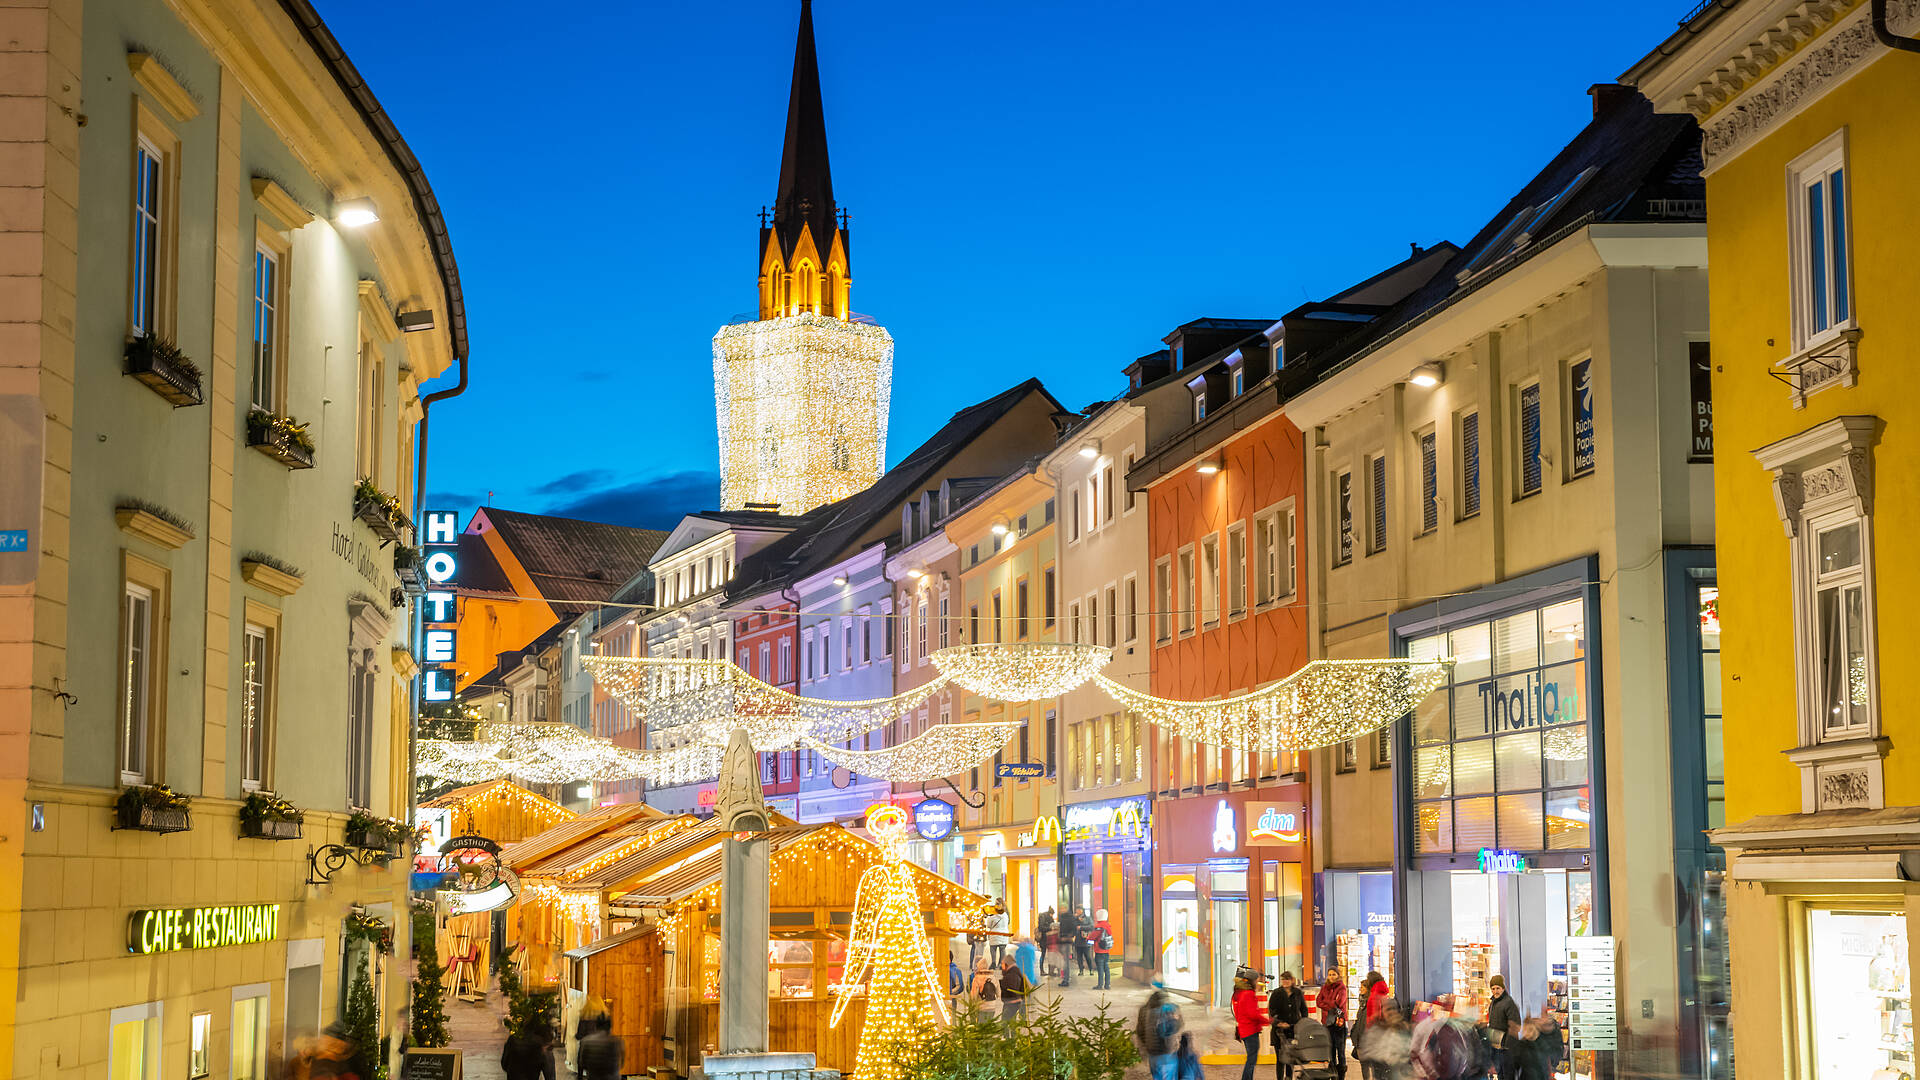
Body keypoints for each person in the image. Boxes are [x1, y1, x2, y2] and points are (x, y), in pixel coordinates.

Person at [1136, 981, 1183, 1080]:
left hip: (1152, 1053)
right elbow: (1177, 1027)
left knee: (1157, 1076)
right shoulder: (1169, 1011)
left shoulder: (1144, 1010)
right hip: (1167, 1052)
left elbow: (1140, 1032)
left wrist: (1145, 1047)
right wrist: (1177, 1017)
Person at [1357, 998, 1413, 1080]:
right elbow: (1369, 1052)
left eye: (1394, 1009)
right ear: (1382, 1012)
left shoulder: (1406, 1029)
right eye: (1388, 1009)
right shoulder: (1377, 1030)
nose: (1391, 1012)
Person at [1267, 970, 1307, 1080]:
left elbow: (1303, 1009)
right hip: (1279, 1031)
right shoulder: (1276, 993)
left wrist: (1303, 1024)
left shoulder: (1298, 993)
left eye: (1287, 979)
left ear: (1292, 980)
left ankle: (1289, 1078)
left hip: (1293, 1029)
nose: (1285, 981)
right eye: (1283, 979)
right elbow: (1271, 1011)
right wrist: (1278, 1022)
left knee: (1290, 1058)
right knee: (1280, 1058)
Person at [1232, 970, 1271, 1080]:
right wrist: (1267, 1021)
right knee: (1251, 1059)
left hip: (1243, 1029)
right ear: (1253, 980)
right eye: (1257, 980)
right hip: (1250, 1030)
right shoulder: (1248, 994)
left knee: (1251, 1058)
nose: (1258, 982)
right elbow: (1252, 1014)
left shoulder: (1238, 993)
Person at [1486, 975, 1522, 1080]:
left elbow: (1516, 1025)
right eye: (1493, 989)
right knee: (1500, 1074)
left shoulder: (1508, 1003)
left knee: (1508, 1075)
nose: (1495, 991)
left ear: (1503, 988)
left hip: (1507, 1049)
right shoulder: (1493, 1003)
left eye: (1498, 988)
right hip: (1497, 1046)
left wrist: (1507, 1046)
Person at [1317, 968, 1349, 1076]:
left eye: (1334, 974)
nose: (1331, 976)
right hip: (1327, 1023)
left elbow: (1339, 1003)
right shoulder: (1324, 987)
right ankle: (1332, 1074)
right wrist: (1331, 1004)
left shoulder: (1342, 988)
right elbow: (1318, 1002)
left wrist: (1327, 1003)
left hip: (1338, 1023)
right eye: (1329, 974)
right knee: (1330, 1051)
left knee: (1340, 1051)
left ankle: (1341, 1075)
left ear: (1338, 975)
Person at [575, 1010, 623, 1080]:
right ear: (610, 1027)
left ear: (596, 1026)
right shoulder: (617, 1042)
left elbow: (582, 1063)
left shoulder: (586, 1041)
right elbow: (621, 1063)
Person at [999, 952, 1031, 1022]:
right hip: (1015, 1001)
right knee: (1011, 1022)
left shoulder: (1012, 974)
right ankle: (1012, 1032)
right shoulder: (1016, 971)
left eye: (1003, 964)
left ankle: (1008, 1033)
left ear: (1007, 964)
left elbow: (1012, 987)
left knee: (1005, 1022)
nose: (1002, 967)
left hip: (1011, 1002)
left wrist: (1002, 984)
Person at [1091, 908, 1116, 990]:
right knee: (1106, 967)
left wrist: (1088, 939)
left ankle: (1100, 985)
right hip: (1106, 950)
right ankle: (1107, 984)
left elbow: (1092, 937)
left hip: (1099, 950)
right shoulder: (1108, 926)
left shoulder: (1099, 927)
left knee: (1100, 968)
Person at [1057, 908, 1081, 985]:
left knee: (1065, 961)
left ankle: (1066, 980)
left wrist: (1067, 937)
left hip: (1065, 942)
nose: (1061, 910)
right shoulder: (1067, 918)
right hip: (1065, 941)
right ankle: (1066, 978)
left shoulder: (1066, 919)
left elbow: (1073, 930)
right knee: (1065, 961)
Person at [1073, 907, 1096, 975]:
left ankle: (1091, 969)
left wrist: (1082, 927)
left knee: (1087, 956)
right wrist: (1076, 919)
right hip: (1077, 940)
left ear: (1082, 910)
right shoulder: (1075, 919)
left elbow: (1092, 926)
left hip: (1086, 939)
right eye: (1077, 910)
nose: (1078, 911)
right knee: (1079, 956)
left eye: (1079, 910)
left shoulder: (1088, 918)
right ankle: (1081, 970)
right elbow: (1072, 926)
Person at [988, 899, 1009, 966]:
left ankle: (993, 963)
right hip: (1004, 935)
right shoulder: (1006, 915)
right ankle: (1001, 964)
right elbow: (1008, 923)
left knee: (993, 948)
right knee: (1002, 949)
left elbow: (988, 925)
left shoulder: (993, 915)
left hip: (994, 935)